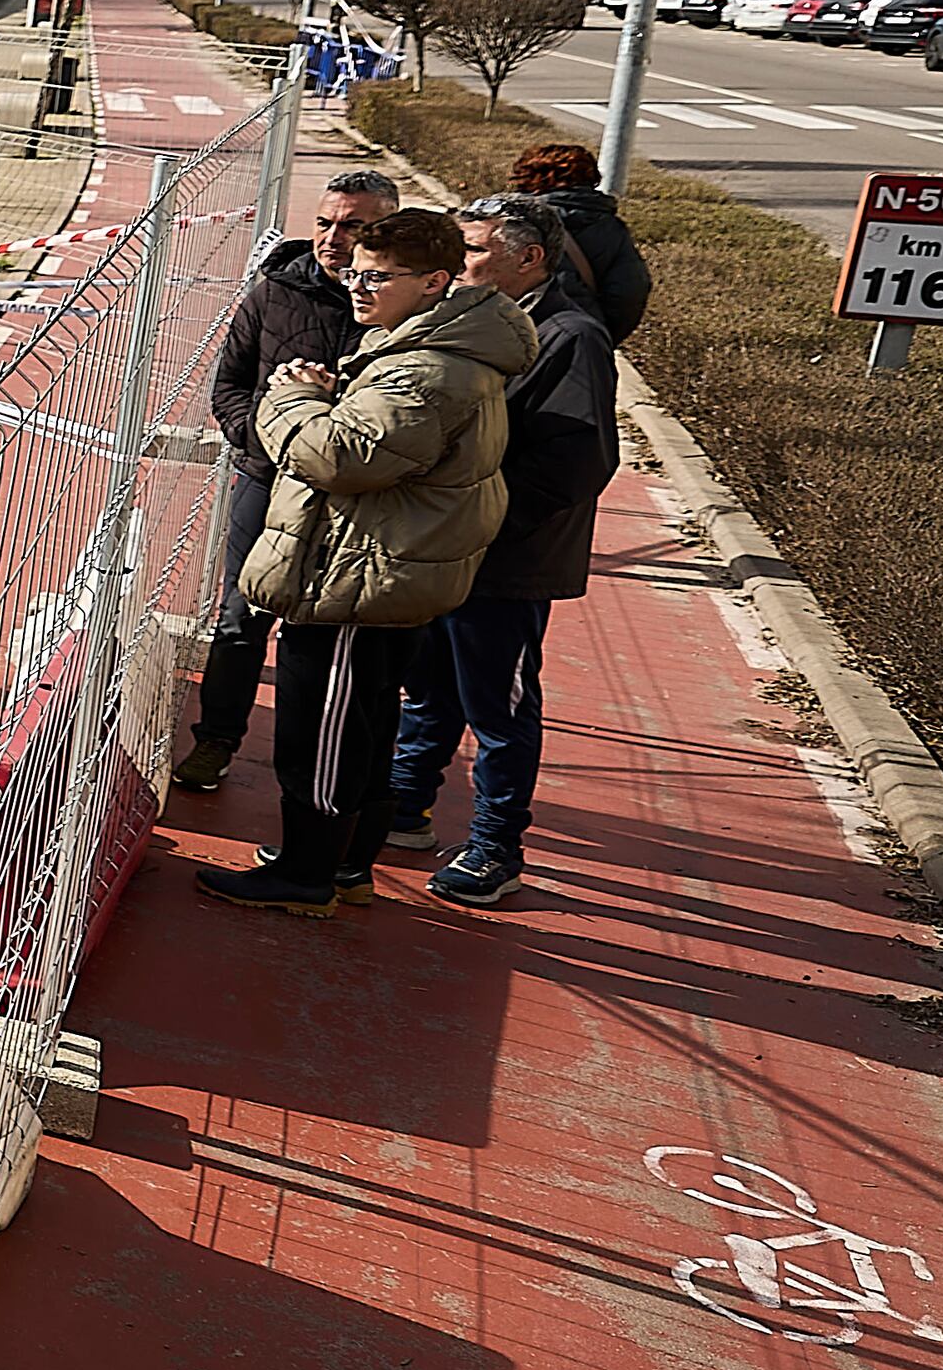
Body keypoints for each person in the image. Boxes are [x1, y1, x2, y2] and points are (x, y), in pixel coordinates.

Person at [194, 207, 532, 916]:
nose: (357, 285)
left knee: (323, 731)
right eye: (353, 271)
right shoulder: (432, 351)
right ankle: (345, 863)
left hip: (358, 578)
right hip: (379, 569)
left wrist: (288, 401)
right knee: (365, 724)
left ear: (434, 281)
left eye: (377, 275)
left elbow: (341, 456)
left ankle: (308, 872)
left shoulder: (426, 371)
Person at [380, 199, 622, 905]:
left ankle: (496, 846)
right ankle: (406, 804)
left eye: (476, 249)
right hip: (443, 550)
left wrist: (477, 515)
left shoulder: (569, 337)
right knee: (429, 685)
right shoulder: (468, 320)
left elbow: (576, 463)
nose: (459, 263)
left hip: (505, 562)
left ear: (529, 258)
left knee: (499, 706)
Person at [171, 168, 395, 792]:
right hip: (266, 481)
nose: (333, 238)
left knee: (323, 635)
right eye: (325, 222)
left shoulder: (404, 303)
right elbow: (230, 384)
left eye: (354, 226)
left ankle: (316, 774)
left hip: (355, 497)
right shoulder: (275, 290)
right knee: (240, 620)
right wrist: (264, 441)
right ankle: (216, 741)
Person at [501, 139, 652, 348]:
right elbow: (629, 294)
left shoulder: (511, 221)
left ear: (529, 176)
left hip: (508, 339)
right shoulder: (611, 227)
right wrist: (601, 334)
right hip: (580, 341)